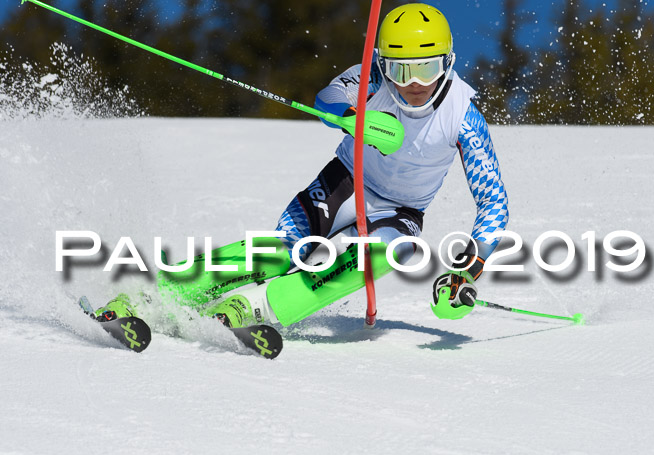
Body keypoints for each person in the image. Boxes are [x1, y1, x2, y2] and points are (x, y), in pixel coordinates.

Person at [94, 3, 509, 329]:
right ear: (384, 65)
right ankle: (153, 294)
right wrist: (351, 115)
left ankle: (260, 306)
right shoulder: (373, 80)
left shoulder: (462, 115)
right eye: (402, 70)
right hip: (344, 183)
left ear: (448, 63)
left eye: (428, 69)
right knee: (283, 248)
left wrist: (468, 270)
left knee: (382, 253)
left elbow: (493, 202)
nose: (414, 85)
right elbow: (326, 96)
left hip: (400, 213)